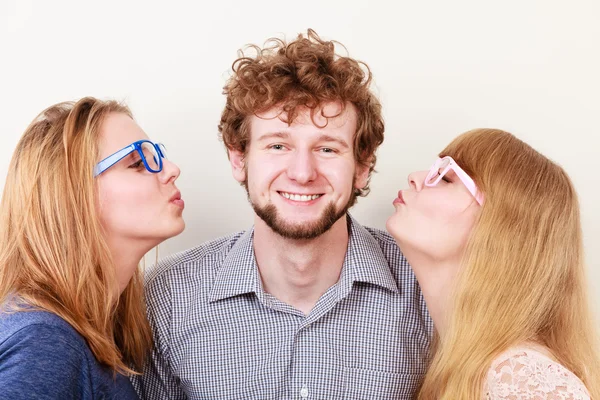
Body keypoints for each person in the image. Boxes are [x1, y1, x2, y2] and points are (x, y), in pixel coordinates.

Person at [135, 29, 431, 399]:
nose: (302, 173)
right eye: (278, 145)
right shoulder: (165, 297)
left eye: (327, 149)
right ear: (239, 158)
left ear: (363, 167)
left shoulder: (426, 290)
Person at [386, 128, 599, 399]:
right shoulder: (475, 367)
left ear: (500, 226)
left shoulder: (523, 378)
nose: (415, 178)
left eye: (446, 177)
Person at [0, 97, 185, 399]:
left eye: (159, 157)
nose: (172, 170)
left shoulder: (87, 331)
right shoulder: (44, 341)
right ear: (74, 194)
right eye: (138, 163)